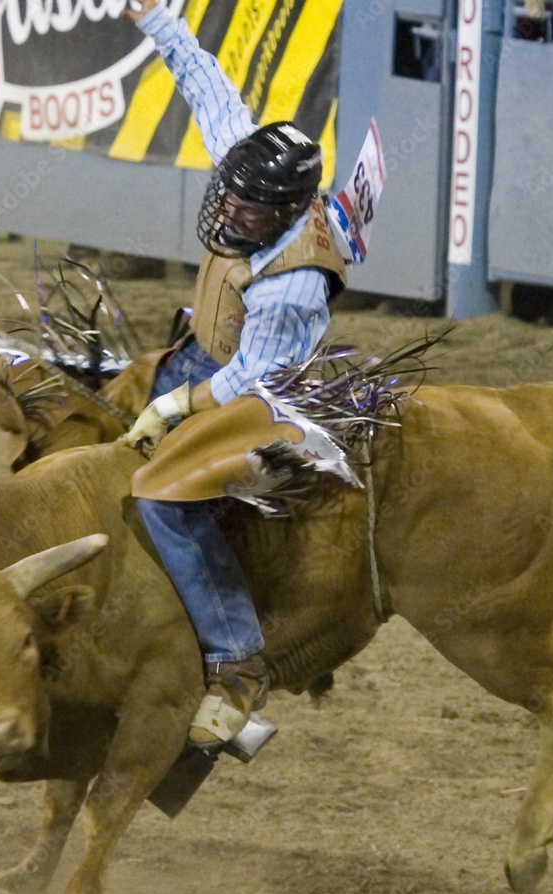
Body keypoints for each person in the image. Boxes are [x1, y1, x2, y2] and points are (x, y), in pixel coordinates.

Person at [121, 0, 348, 748]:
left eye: (247, 208)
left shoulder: (292, 285)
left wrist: (176, 405)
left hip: (267, 396)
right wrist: (158, 19)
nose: (230, 208)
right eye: (232, 191)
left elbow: (254, 376)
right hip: (209, 354)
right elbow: (209, 88)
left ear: (283, 210)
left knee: (166, 500)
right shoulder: (254, 172)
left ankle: (236, 659)